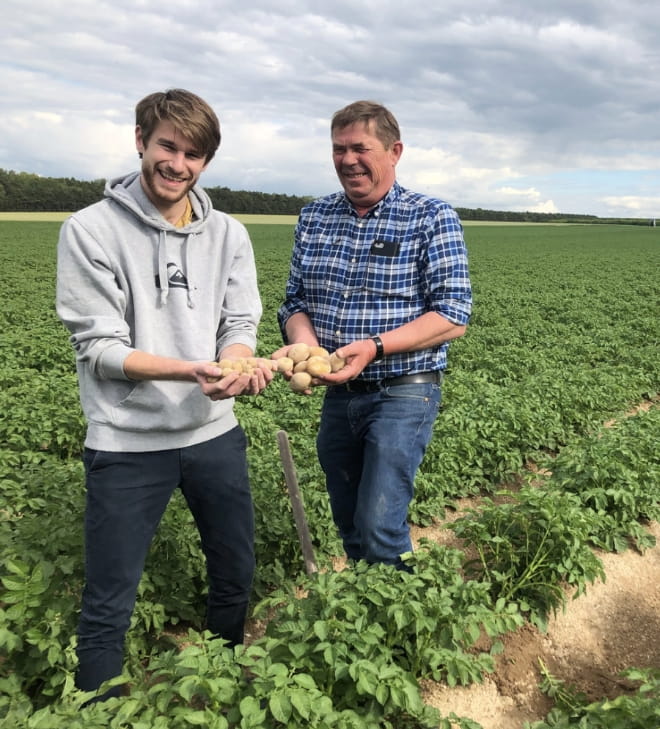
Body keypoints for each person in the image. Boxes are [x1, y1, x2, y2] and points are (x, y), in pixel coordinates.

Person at [56, 88, 273, 700]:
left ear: (206, 161)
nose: (178, 164)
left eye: (194, 153)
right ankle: (99, 707)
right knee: (109, 597)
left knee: (235, 571)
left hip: (214, 435)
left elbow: (238, 324)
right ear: (141, 142)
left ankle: (221, 681)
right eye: (167, 147)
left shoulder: (228, 234)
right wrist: (191, 371)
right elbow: (100, 348)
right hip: (127, 443)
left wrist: (235, 363)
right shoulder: (89, 230)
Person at [276, 100, 472, 569]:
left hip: (403, 391)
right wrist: (305, 345)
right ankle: (365, 610)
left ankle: (396, 631)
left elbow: (453, 314)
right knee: (349, 521)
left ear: (394, 151)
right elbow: (294, 302)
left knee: (379, 524)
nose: (348, 160)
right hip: (339, 393)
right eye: (339, 149)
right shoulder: (315, 217)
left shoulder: (430, 217)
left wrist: (375, 347)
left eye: (360, 148)